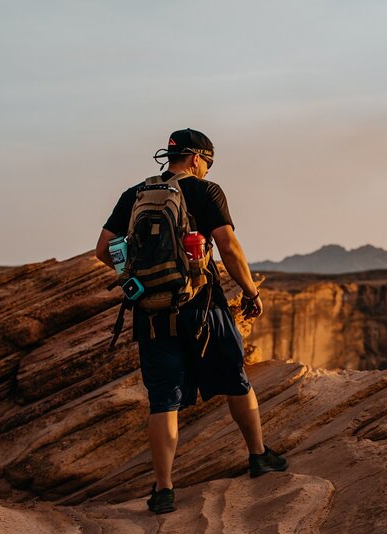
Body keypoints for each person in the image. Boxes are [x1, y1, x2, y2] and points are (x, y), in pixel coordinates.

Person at [95, 128, 287, 514]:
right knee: (235, 378)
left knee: (163, 402)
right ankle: (258, 455)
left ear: (171, 157)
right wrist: (250, 292)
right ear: (198, 159)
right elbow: (229, 247)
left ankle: (164, 490)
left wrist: (137, 279)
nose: (207, 169)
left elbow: (104, 250)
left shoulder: (135, 194)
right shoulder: (206, 191)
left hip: (152, 313)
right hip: (204, 307)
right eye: (208, 163)